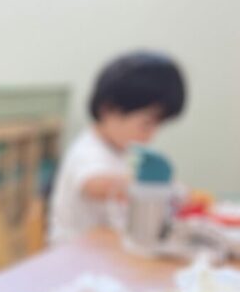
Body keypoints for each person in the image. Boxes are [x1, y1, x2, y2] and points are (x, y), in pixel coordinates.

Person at [49, 51, 186, 244]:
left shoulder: (118, 149)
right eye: (146, 125)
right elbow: (95, 184)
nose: (151, 135)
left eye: (158, 126)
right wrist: (162, 188)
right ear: (108, 110)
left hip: (106, 247)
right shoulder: (87, 149)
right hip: (74, 252)